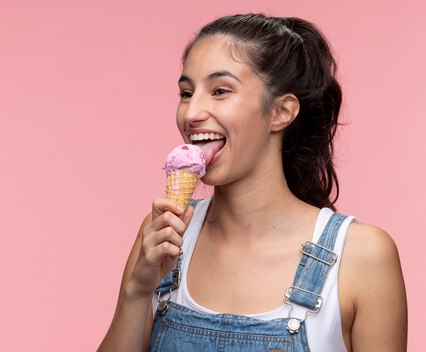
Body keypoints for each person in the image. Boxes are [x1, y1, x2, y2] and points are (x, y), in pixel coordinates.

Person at [98, 13, 407, 352]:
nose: (190, 113)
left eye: (220, 90)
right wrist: (138, 291)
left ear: (281, 112)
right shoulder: (165, 235)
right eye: (186, 93)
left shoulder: (361, 257)